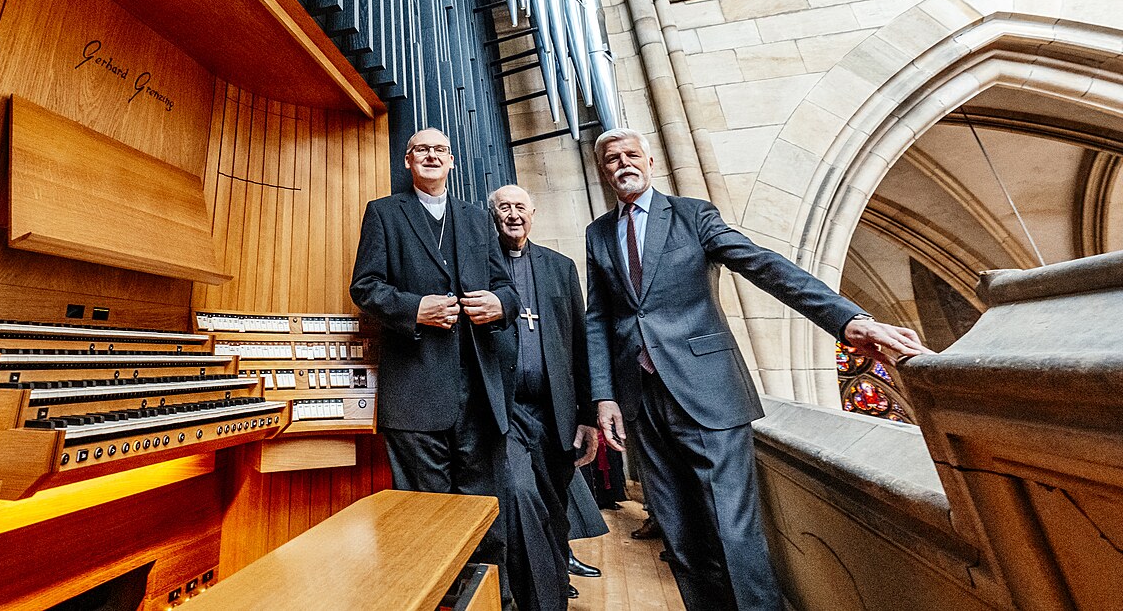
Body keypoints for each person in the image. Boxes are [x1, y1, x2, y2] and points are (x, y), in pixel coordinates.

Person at [583, 128, 928, 611]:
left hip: (707, 390)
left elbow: (764, 265)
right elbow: (598, 317)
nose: (622, 163)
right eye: (612, 159)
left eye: (630, 155)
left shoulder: (691, 215)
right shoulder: (598, 233)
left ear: (650, 161)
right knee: (680, 535)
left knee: (732, 529)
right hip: (641, 397)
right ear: (603, 171)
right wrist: (604, 396)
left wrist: (848, 320)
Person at [351, 128, 519, 581]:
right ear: (407, 160)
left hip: (481, 394)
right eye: (421, 149)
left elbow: (507, 288)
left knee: (484, 514)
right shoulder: (384, 214)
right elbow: (365, 287)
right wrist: (414, 308)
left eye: (440, 150)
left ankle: (489, 601)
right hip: (415, 392)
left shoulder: (476, 219)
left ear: (452, 162)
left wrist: (501, 305)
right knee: (425, 515)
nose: (431, 155)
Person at [489, 183, 604, 611]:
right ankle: (544, 600)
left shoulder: (560, 266)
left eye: (520, 207)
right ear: (493, 216)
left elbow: (579, 339)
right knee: (520, 494)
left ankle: (553, 579)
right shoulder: (482, 267)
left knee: (554, 508)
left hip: (556, 411)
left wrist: (589, 414)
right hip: (506, 411)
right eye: (504, 208)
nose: (513, 214)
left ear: (533, 214)